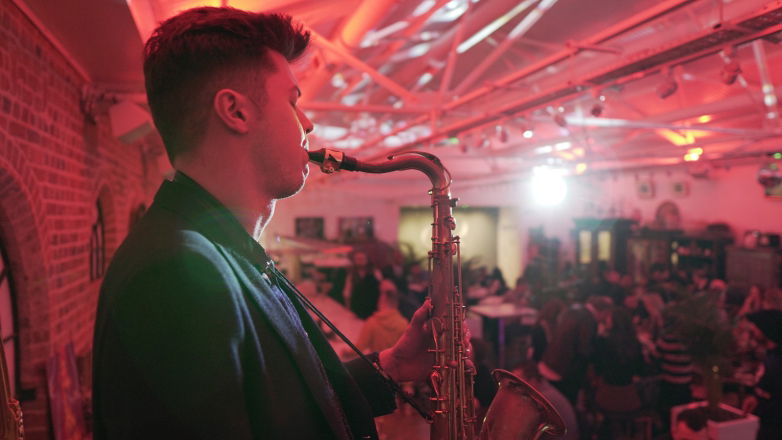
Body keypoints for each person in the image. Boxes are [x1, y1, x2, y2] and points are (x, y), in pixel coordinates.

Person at [92, 8, 435, 440]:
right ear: (235, 111)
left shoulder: (216, 252)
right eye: (292, 101)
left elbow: (281, 407)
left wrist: (393, 365)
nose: (307, 122)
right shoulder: (177, 272)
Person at [538, 295, 613, 404]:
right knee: (564, 405)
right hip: (563, 371)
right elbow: (584, 350)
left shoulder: (574, 310)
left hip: (549, 363)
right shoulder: (588, 320)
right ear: (603, 311)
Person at [741, 310, 782, 440]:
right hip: (763, 424)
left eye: (756, 326)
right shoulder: (770, 355)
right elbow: (766, 386)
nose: (752, 329)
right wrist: (755, 397)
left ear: (767, 330)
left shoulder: (778, 360)